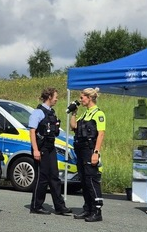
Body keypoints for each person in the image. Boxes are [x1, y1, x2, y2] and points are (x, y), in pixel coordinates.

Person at [28, 87, 68, 216]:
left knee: (55, 177)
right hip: (41, 148)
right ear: (49, 97)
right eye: (55, 96)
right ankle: (36, 206)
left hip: (50, 147)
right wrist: (35, 150)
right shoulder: (38, 112)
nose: (57, 99)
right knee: (42, 177)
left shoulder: (51, 113)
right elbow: (32, 131)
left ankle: (59, 207)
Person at [69, 87, 106, 222]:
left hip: (90, 150)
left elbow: (101, 134)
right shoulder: (85, 114)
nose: (80, 100)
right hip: (80, 150)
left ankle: (97, 210)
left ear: (89, 98)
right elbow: (73, 127)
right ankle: (87, 208)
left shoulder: (98, 114)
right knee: (84, 180)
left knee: (91, 179)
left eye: (82, 97)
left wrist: (96, 152)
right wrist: (73, 113)